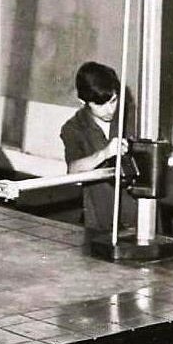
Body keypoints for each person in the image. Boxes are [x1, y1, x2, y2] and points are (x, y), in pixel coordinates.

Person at [59, 61, 136, 234]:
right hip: (100, 218)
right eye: (100, 105)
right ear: (83, 101)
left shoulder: (135, 118)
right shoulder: (73, 128)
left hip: (140, 216)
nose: (110, 110)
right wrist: (105, 153)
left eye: (113, 101)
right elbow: (73, 171)